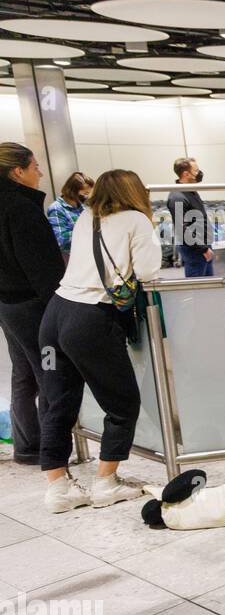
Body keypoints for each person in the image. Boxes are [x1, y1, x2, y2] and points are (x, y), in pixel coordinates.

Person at [39, 169, 162, 512]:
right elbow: (150, 271)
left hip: (55, 314)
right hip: (91, 318)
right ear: (135, 191)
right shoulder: (136, 220)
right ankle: (106, 483)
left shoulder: (86, 217)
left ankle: (58, 489)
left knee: (57, 401)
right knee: (122, 404)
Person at [0, 143, 65, 469]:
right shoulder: (21, 209)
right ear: (18, 171)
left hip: (8, 305)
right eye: (35, 166)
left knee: (24, 373)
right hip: (33, 306)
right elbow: (41, 266)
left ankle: (29, 446)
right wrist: (59, 305)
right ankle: (52, 454)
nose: (39, 172)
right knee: (49, 372)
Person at [167, 157, 214, 277]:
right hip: (195, 250)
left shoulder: (190, 191)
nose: (199, 173)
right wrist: (203, 249)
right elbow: (182, 228)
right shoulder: (177, 197)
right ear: (186, 174)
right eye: (196, 171)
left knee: (209, 287)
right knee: (198, 289)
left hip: (202, 246)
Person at [47, 172, 93, 258]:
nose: (87, 196)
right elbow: (60, 239)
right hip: (70, 257)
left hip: (87, 254)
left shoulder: (82, 206)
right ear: (72, 191)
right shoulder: (57, 208)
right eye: (85, 193)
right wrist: (87, 230)